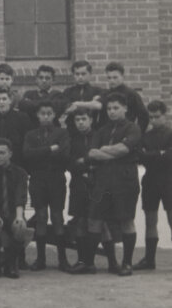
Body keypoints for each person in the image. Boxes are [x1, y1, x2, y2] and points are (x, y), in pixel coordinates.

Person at [82, 93, 143, 276]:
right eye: (109, 108)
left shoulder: (133, 128)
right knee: (95, 219)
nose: (112, 112)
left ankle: (127, 264)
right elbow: (91, 153)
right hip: (102, 180)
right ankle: (91, 263)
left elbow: (124, 149)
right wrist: (111, 152)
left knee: (126, 220)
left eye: (116, 108)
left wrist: (104, 150)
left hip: (125, 179)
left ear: (125, 108)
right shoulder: (102, 130)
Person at [23, 100, 71, 270]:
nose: (45, 116)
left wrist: (40, 154)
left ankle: (63, 260)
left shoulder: (62, 133)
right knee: (41, 216)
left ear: (54, 115)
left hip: (56, 178)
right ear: (37, 115)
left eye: (49, 113)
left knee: (57, 217)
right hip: (37, 178)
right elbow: (27, 155)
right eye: (42, 113)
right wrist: (50, 149)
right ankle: (41, 259)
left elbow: (65, 155)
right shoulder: (30, 134)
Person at [0, 138, 31, 279]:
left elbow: (20, 196)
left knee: (20, 226)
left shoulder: (20, 173)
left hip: (13, 211)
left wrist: (19, 217)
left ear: (10, 154)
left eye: (2, 153)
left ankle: (11, 264)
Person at [134, 100, 172, 270]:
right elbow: (139, 157)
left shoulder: (171, 133)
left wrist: (151, 155)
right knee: (150, 220)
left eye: (157, 117)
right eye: (151, 117)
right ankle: (149, 260)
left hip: (169, 180)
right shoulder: (145, 136)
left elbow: (169, 157)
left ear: (165, 115)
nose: (154, 120)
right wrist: (160, 154)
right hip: (150, 180)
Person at [65, 109, 97, 273]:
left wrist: (86, 164)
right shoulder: (72, 139)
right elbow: (69, 163)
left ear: (91, 119)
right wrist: (84, 167)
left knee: (97, 222)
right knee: (80, 221)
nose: (81, 122)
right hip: (78, 184)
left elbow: (102, 160)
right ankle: (82, 260)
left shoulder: (99, 137)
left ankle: (95, 262)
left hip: (97, 184)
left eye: (84, 119)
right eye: (77, 120)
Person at [0, 88, 31, 170]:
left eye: (4, 99)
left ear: (10, 100)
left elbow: (25, 141)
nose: (1, 102)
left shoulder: (22, 118)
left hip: (17, 162)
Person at [103, 62, 150, 132]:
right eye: (109, 78)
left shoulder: (131, 94)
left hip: (126, 132)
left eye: (115, 77)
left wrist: (137, 133)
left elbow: (144, 116)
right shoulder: (105, 94)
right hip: (108, 133)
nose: (112, 81)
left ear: (122, 77)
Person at [60, 60, 104, 129]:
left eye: (83, 74)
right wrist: (90, 104)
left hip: (92, 129)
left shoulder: (97, 91)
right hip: (72, 129)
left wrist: (77, 104)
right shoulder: (68, 91)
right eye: (77, 74)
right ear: (73, 75)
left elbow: (98, 106)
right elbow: (66, 109)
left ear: (90, 74)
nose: (80, 77)